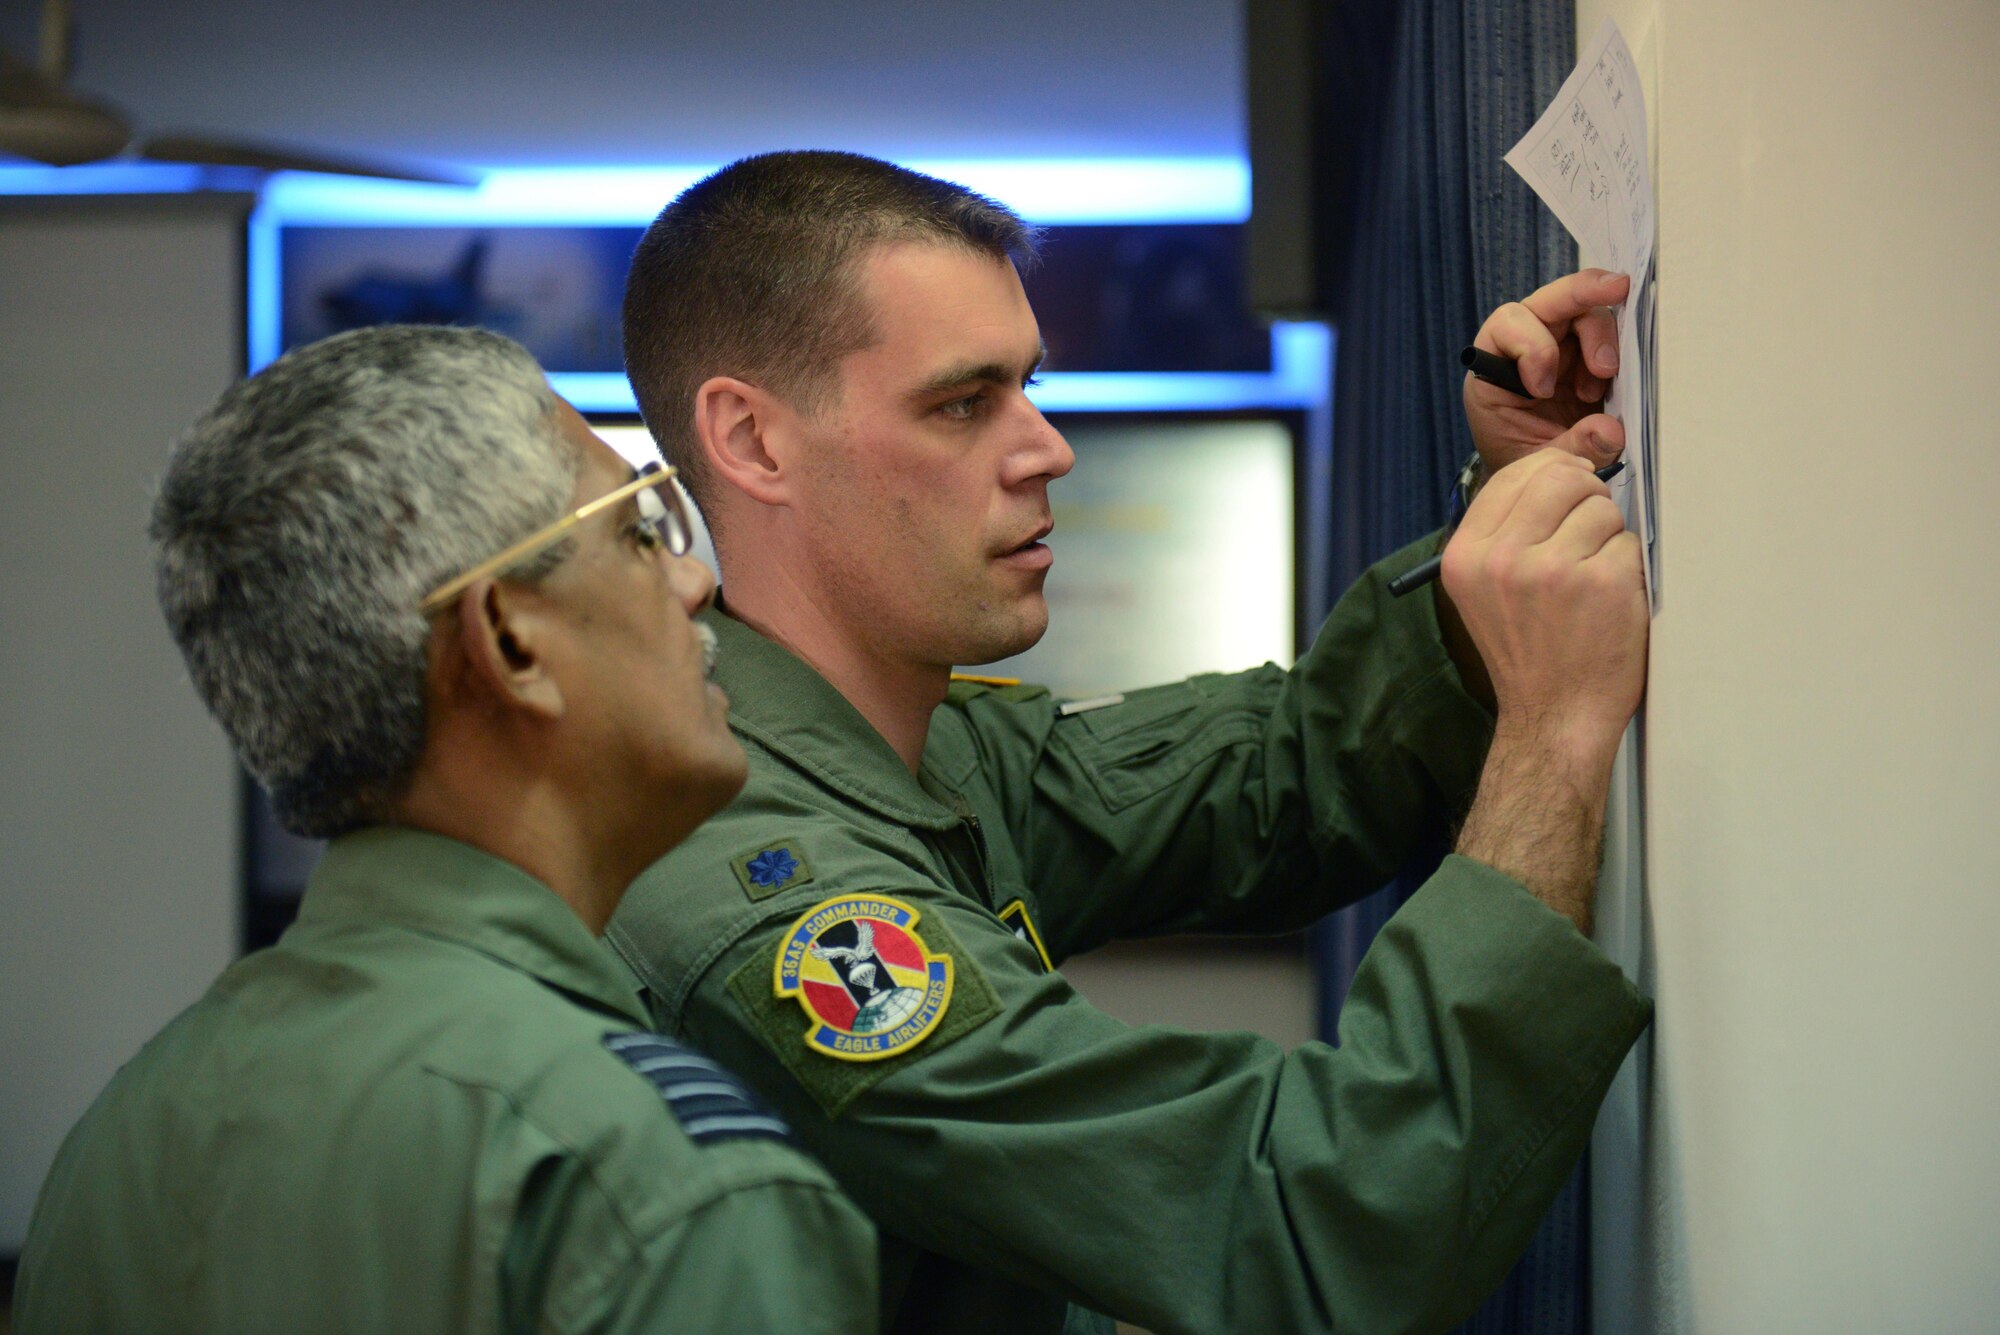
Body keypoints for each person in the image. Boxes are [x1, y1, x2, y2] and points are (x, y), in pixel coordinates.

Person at [611, 149, 1650, 1334]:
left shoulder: (912, 745)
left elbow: (1288, 769)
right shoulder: (762, 890)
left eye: (1025, 388)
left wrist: (1515, 510)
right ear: (749, 442)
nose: (1046, 449)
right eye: (961, 403)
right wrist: (1552, 732)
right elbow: (1309, 1222)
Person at [13, 326, 877, 1333]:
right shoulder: (648, 1168)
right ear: (508, 638)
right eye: (638, 533)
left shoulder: (124, 1133)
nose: (693, 581)